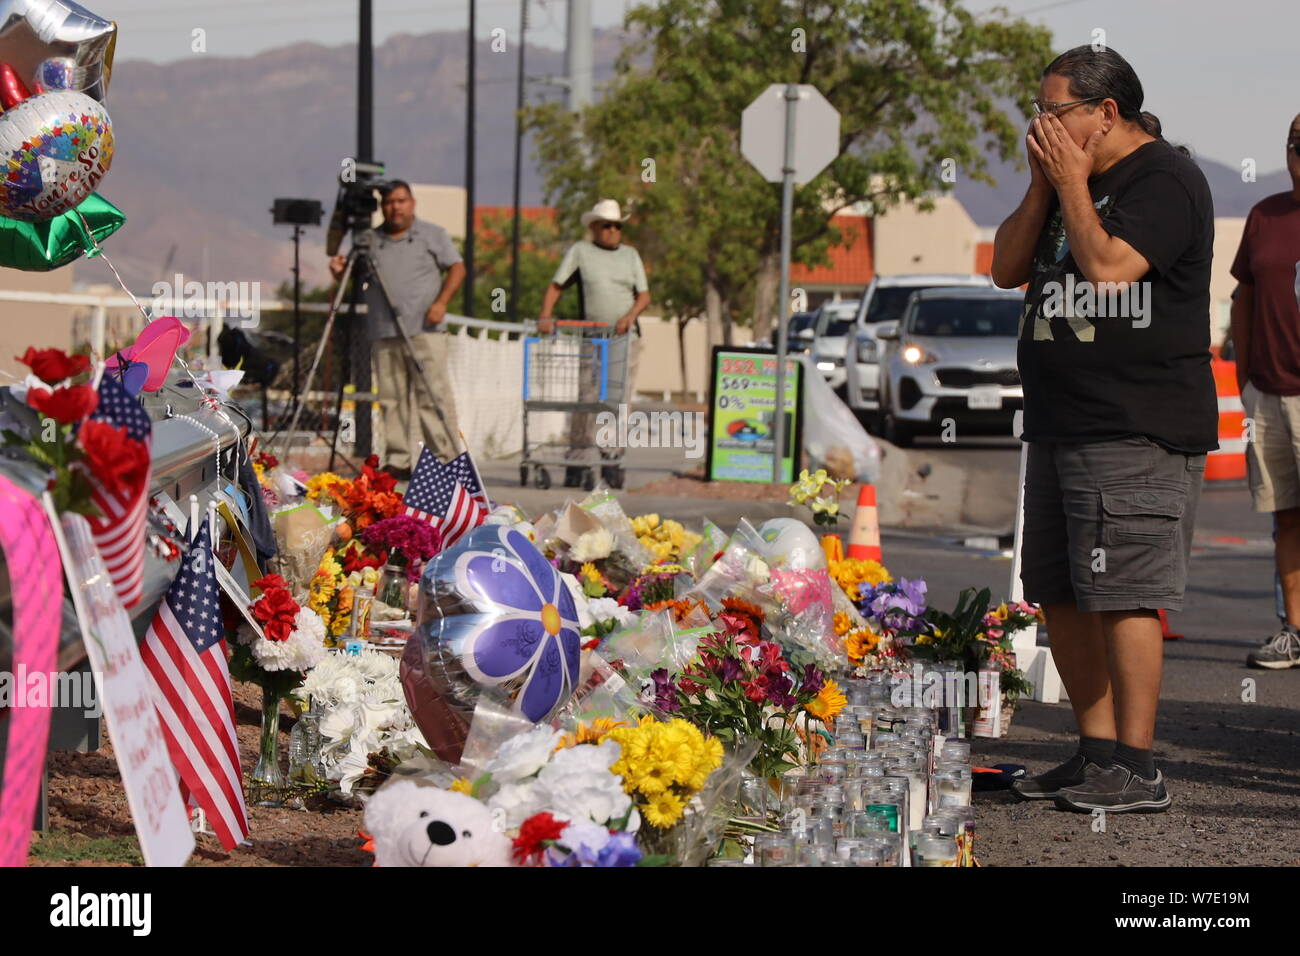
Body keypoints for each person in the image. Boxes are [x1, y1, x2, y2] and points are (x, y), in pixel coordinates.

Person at [990, 47, 1217, 813]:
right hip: (1060, 419)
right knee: (1059, 590)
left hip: (1136, 423)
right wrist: (1040, 185)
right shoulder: (1062, 181)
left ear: (1105, 112)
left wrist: (1073, 189)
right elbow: (1006, 267)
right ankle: (1094, 755)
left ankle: (1139, 766)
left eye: (1056, 112)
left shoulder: (1165, 180)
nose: (1042, 125)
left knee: (1125, 595)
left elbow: (1110, 269)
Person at [329, 180, 465, 478]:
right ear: (382, 207)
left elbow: (457, 267)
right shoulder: (370, 240)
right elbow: (355, 284)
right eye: (389, 202)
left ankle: (443, 460)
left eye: (401, 201)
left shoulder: (432, 235)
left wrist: (441, 302)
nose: (395, 207)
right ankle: (398, 460)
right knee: (391, 399)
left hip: (425, 330)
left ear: (412, 203)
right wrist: (340, 274)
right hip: (384, 330)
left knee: (432, 396)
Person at [1229, 115, 1300, 669]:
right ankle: (1293, 631)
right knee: (1286, 515)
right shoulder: (1265, 215)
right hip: (1270, 392)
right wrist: (1245, 377)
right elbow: (1243, 296)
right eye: (1295, 146)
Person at [537, 199, 652, 487]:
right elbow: (556, 286)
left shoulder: (630, 256)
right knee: (586, 398)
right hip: (593, 336)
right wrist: (546, 315)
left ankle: (612, 456)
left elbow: (644, 295)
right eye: (607, 225)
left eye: (617, 226)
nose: (613, 230)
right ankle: (578, 457)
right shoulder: (581, 252)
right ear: (594, 227)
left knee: (617, 397)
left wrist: (629, 316)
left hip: (625, 338)